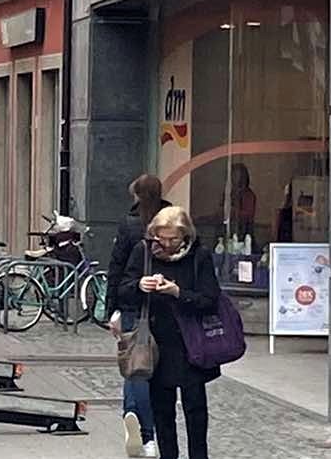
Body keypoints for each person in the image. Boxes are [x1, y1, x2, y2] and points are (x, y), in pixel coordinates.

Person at [119, 206, 221, 459]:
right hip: (157, 342)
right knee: (163, 410)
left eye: (173, 239)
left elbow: (210, 300)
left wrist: (178, 293)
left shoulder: (199, 256)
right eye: (160, 238)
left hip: (192, 344)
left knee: (195, 409)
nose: (165, 244)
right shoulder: (143, 252)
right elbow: (123, 289)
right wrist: (140, 285)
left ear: (185, 235)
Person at [109, 174, 170, 458]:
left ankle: (140, 426)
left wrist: (113, 310)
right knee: (144, 370)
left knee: (136, 365)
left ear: (136, 195)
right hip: (165, 308)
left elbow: (116, 268)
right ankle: (142, 430)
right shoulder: (171, 222)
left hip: (135, 305)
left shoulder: (129, 224)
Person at [228, 165, 257, 245]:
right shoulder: (230, 194)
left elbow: (248, 214)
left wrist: (233, 211)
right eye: (232, 175)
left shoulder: (248, 195)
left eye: (236, 175)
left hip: (244, 232)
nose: (233, 178)